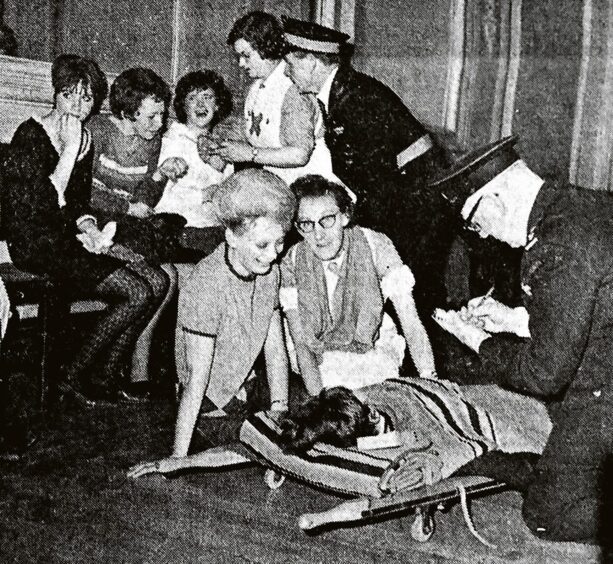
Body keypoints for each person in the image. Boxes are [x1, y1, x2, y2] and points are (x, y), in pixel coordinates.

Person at [429, 135, 613, 544]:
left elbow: (544, 374)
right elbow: (593, 311)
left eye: (478, 225)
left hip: (605, 388)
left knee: (547, 515)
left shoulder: (556, 245)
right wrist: (513, 319)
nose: (487, 237)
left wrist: (476, 340)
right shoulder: (582, 206)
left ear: (492, 201)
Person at [2, 54, 169, 405]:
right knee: (136, 292)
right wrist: (67, 153)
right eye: (70, 94)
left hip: (67, 239)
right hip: (34, 243)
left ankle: (106, 378)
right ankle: (74, 377)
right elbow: (38, 208)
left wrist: (90, 230)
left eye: (87, 98)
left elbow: (77, 206)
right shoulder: (30, 134)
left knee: (156, 281)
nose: (78, 106)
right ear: (55, 94)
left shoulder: (85, 140)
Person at [128, 169, 295, 476]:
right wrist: (179, 457)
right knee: (265, 447)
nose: (273, 255)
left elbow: (275, 351)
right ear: (231, 236)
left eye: (280, 243)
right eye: (262, 245)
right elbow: (197, 377)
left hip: (247, 383)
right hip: (211, 397)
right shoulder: (206, 285)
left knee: (306, 424)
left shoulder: (270, 270)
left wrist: (280, 411)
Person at [281, 17, 452, 314]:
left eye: (291, 63)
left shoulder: (355, 100)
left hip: (415, 209)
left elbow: (378, 183)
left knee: (411, 299)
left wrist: (353, 229)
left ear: (312, 63)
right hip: (405, 202)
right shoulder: (341, 93)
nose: (286, 71)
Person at [281, 175, 435, 395]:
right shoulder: (293, 260)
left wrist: (430, 380)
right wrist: (321, 401)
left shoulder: (376, 245)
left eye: (327, 219)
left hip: (374, 346)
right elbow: (302, 345)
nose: (318, 234)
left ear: (344, 216)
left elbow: (410, 321)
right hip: (318, 355)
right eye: (307, 224)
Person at [88, 67, 189, 392]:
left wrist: (159, 177)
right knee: (154, 281)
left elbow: (144, 195)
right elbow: (80, 192)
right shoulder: (97, 131)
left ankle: (124, 372)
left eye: (162, 115)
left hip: (125, 227)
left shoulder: (152, 140)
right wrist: (125, 208)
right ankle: (100, 370)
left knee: (167, 277)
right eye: (151, 117)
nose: (159, 124)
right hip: (90, 225)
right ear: (127, 112)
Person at [211, 11, 343, 187]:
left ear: (265, 47)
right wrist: (219, 139)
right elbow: (258, 128)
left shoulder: (292, 87)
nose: (241, 64)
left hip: (311, 184)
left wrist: (249, 154)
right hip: (279, 182)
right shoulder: (257, 87)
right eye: (239, 57)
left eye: (246, 55)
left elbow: (299, 154)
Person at [154, 70, 233, 237]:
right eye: (192, 98)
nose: (200, 105)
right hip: (182, 232)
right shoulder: (171, 141)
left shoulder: (224, 147)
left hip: (217, 231)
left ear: (217, 104)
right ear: (183, 106)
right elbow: (159, 202)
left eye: (207, 97)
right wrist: (203, 195)